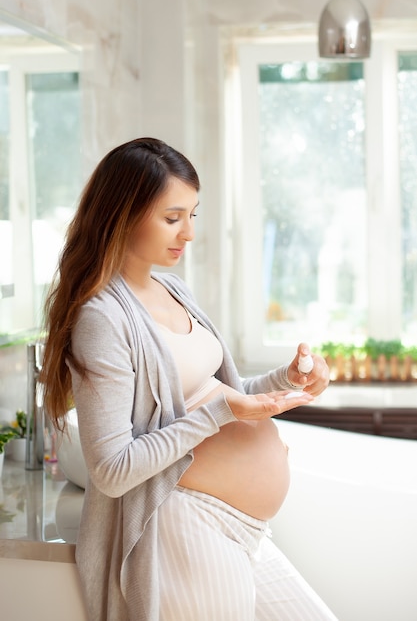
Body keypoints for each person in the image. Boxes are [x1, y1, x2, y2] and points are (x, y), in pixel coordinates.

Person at [41, 137, 338, 621]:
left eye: (192, 215)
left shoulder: (171, 288)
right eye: (172, 218)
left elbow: (221, 396)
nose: (189, 234)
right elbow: (113, 470)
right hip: (186, 522)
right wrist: (222, 412)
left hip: (243, 527)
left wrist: (288, 380)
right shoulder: (103, 318)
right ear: (122, 214)